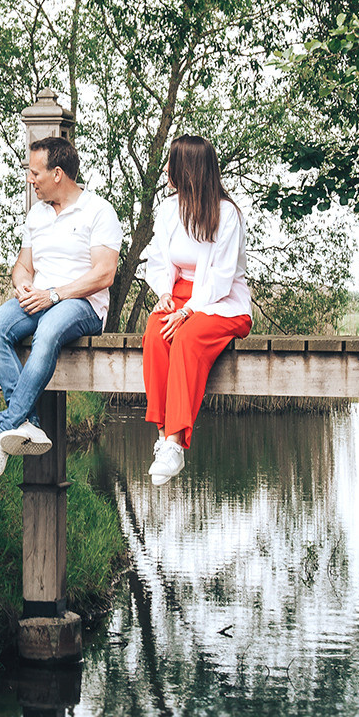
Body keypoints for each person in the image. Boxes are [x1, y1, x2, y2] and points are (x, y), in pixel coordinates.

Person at [0, 136, 123, 480]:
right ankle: (26, 423)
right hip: (40, 297)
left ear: (58, 173)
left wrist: (54, 295)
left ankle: (3, 432)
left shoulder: (99, 211)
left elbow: (104, 274)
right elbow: (23, 265)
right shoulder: (36, 214)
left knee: (48, 331)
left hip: (81, 305)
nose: (31, 179)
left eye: (35, 172)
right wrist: (22, 284)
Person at [140, 135, 253, 485]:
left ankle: (176, 442)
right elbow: (158, 258)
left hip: (222, 302)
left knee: (186, 339)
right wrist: (163, 294)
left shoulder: (226, 213)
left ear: (186, 170)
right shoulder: (168, 209)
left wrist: (190, 311)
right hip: (178, 296)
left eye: (172, 164)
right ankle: (162, 436)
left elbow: (221, 278)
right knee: (155, 332)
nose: (168, 172)